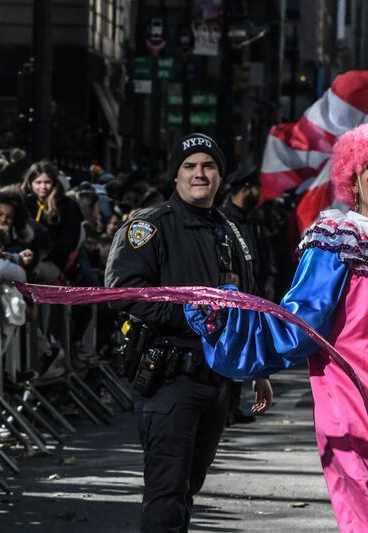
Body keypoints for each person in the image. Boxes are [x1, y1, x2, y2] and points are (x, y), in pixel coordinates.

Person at [185, 123, 368, 532]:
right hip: (356, 408)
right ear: (354, 180)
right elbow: (298, 323)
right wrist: (230, 319)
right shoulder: (334, 243)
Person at [104, 133, 273, 533]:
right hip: (168, 379)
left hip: (216, 383)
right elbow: (122, 293)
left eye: (209, 166)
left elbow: (246, 304)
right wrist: (192, 315)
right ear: (175, 176)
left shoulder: (230, 232)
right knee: (166, 491)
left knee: (188, 487)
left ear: (219, 176)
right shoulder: (150, 226)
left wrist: (257, 369)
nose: (200, 173)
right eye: (190, 166)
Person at [220, 164, 274, 425]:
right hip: (232, 295)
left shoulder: (254, 218)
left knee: (247, 347)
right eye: (256, 188)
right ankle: (225, 408)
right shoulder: (222, 218)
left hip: (253, 292)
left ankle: (233, 406)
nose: (260, 193)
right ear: (245, 189)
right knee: (230, 347)